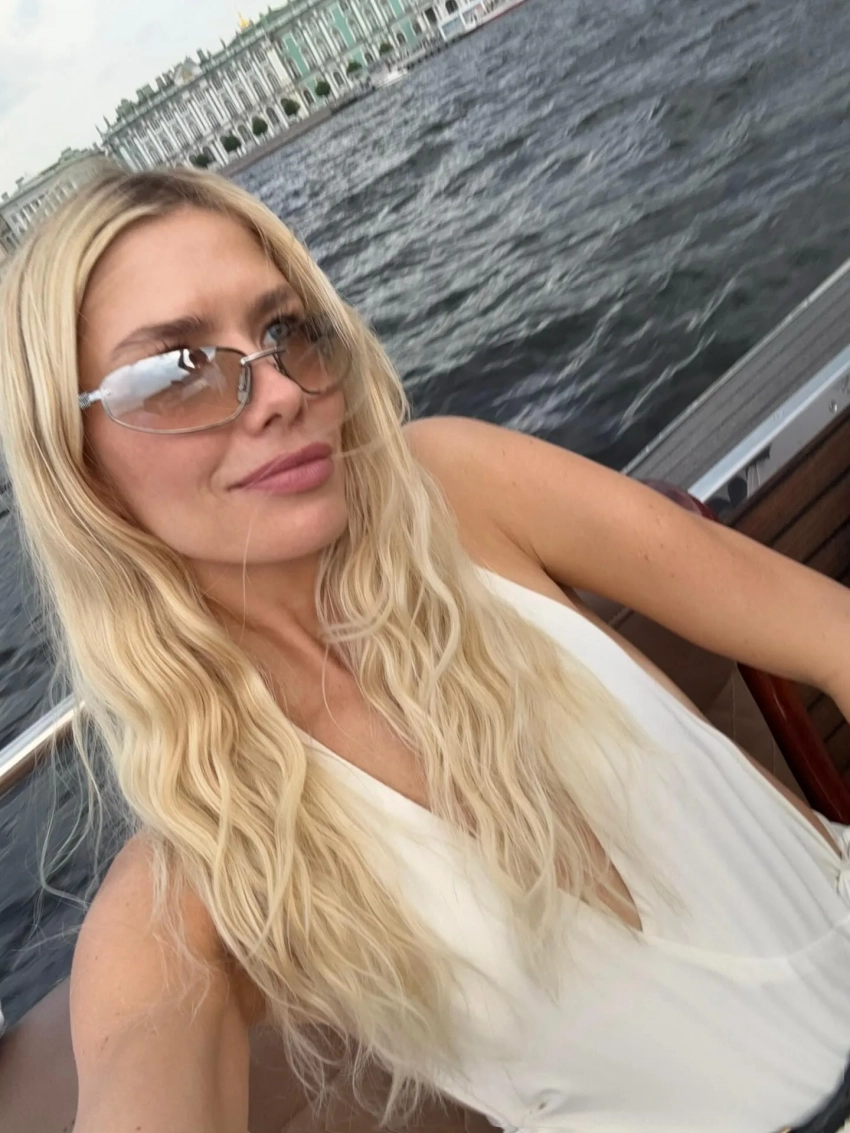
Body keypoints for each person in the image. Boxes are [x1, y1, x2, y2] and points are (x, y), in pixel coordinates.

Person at [1, 164, 849, 1133]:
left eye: (285, 330)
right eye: (177, 370)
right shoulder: (197, 871)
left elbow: (829, 632)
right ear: (78, 462)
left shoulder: (460, 488)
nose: (277, 390)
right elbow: (141, 1061)